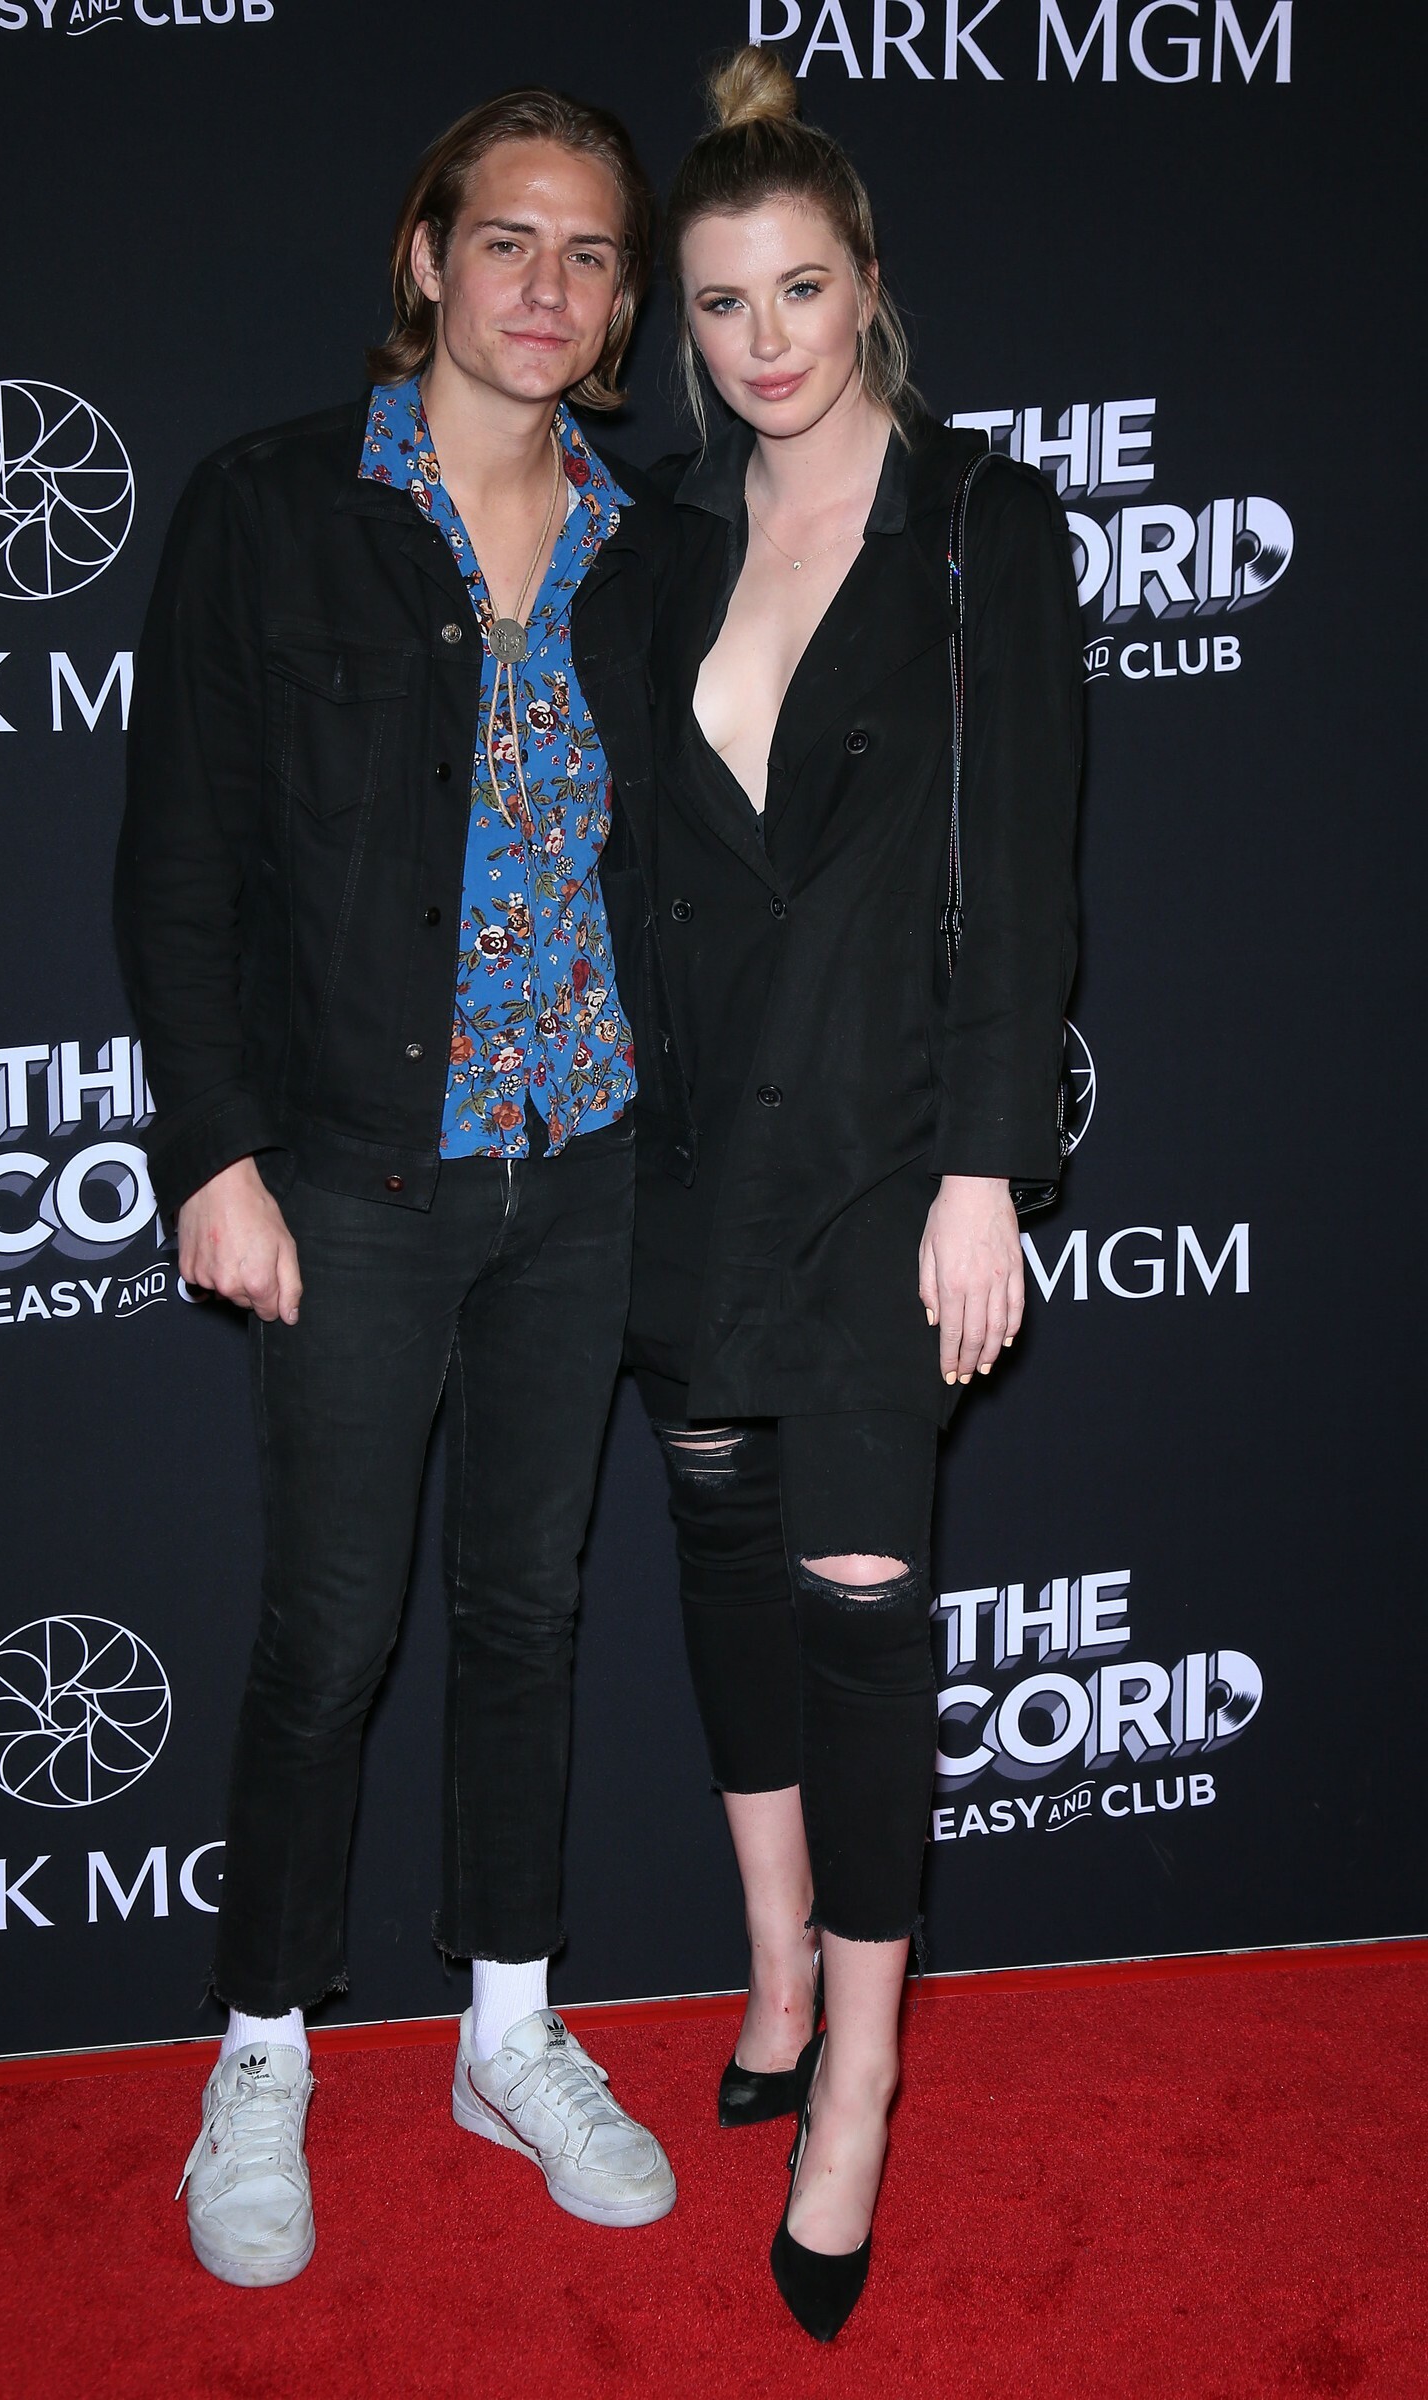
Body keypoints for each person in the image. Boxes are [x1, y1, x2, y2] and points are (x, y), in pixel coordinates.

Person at [115, 86, 691, 2288]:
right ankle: (260, 2052)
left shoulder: (648, 547)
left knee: (531, 1615)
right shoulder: (274, 508)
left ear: (621, 308)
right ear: (428, 256)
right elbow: (180, 866)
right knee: (333, 1632)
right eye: (510, 240)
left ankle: (507, 2031)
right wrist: (213, 1153)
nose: (549, 286)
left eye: (592, 255)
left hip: (584, 1169)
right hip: (348, 1176)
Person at [628, 49, 1081, 2340]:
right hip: (689, 1154)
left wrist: (987, 1174)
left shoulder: (987, 529)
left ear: (871, 279)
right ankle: (778, 1971)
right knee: (722, 1550)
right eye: (720, 302)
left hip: (895, 1158)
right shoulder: (654, 545)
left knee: (864, 1604)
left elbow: (1027, 892)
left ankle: (863, 2088)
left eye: (800, 287)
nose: (764, 339)